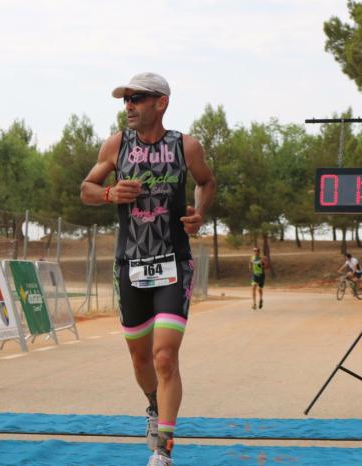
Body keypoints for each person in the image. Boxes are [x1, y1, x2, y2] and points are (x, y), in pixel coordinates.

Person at [80, 72, 215, 466]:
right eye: (126, 99)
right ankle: (154, 405)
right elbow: (86, 188)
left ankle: (164, 448)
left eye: (137, 98)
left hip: (174, 262)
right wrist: (109, 193)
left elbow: (206, 182)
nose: (129, 106)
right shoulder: (116, 144)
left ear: (161, 103)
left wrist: (199, 214)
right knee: (141, 360)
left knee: (164, 357)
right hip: (130, 265)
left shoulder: (186, 146)